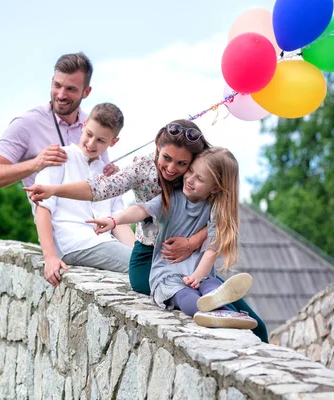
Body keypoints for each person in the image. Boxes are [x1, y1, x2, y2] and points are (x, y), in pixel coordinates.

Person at [24, 122, 269, 341]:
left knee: (257, 326)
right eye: (166, 158)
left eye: (182, 163)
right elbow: (103, 189)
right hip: (151, 262)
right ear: (157, 149)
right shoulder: (145, 170)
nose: (172, 169)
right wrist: (55, 190)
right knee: (203, 299)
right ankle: (211, 310)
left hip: (192, 262)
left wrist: (193, 242)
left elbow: (221, 223)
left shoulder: (202, 176)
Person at [87, 147, 258, 329]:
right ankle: (208, 313)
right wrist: (114, 220)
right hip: (167, 273)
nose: (190, 179)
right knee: (184, 295)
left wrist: (197, 277)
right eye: (191, 171)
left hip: (200, 273)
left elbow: (212, 249)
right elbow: (142, 210)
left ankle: (222, 311)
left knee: (211, 287)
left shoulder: (215, 209)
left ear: (215, 188)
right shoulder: (170, 199)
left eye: (199, 179)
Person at [0, 52, 116, 191]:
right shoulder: (26, 124)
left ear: (86, 92)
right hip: (48, 212)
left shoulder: (94, 126)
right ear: (51, 81)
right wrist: (35, 164)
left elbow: (102, 180)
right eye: (57, 85)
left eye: (70, 89)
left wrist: (113, 174)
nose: (61, 95)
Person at [34, 103, 134, 287]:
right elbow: (43, 208)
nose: (91, 143)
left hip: (102, 242)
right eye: (89, 134)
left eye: (101, 140)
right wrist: (50, 257)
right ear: (84, 124)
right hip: (74, 243)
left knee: (148, 260)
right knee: (140, 266)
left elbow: (119, 222)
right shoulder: (60, 157)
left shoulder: (108, 174)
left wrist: (139, 251)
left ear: (113, 142)